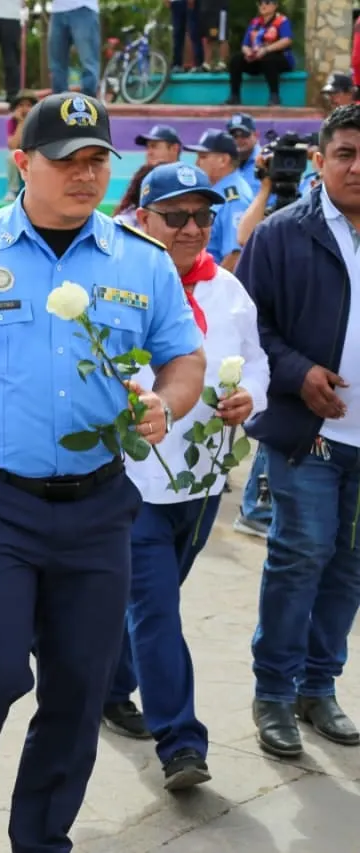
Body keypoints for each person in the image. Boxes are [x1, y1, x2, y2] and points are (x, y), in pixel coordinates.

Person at [0, 93, 205, 852]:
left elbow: (181, 358)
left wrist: (167, 401)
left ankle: (41, 833)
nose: (85, 176)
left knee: (80, 685)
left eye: (97, 161)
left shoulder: (140, 261)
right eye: (67, 161)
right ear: (22, 163)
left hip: (98, 507)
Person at [100, 162, 269, 788]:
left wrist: (250, 397)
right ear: (143, 218)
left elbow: (257, 366)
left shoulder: (227, 291)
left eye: (203, 216)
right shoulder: (115, 288)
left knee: (148, 603)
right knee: (157, 607)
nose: (192, 228)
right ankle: (181, 742)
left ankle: (110, 686)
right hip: (134, 482)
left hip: (201, 483)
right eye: (175, 216)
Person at [239, 103, 360, 759]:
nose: (357, 167)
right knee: (301, 553)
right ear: (319, 160)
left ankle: (320, 686)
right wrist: (298, 370)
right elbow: (249, 327)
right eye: (344, 153)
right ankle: (275, 693)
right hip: (309, 434)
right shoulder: (282, 234)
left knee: (350, 567)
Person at [184, 129, 252, 271]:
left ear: (223, 160)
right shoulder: (220, 190)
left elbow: (235, 255)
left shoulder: (234, 198)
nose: (197, 163)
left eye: (203, 157)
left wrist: (214, 290)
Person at [226, 0, 294, 107]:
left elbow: (287, 40)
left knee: (268, 59)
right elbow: (245, 44)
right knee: (236, 59)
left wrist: (266, 50)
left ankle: (274, 97)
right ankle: (234, 96)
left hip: (278, 58)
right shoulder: (255, 23)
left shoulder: (282, 20)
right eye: (260, 3)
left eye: (267, 2)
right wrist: (248, 53)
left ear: (275, 6)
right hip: (256, 59)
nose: (263, 5)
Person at [48, 0, 101, 95]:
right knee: (57, 63)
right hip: (57, 10)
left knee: (88, 61)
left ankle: (88, 101)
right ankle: (59, 101)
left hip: (84, 8)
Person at [4, 92, 35, 200]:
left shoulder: (39, 121)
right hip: (23, 154)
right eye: (21, 105)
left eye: (28, 105)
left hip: (37, 154)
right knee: (12, 156)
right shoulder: (12, 122)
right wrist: (21, 122)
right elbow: (13, 146)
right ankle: (12, 190)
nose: (24, 109)